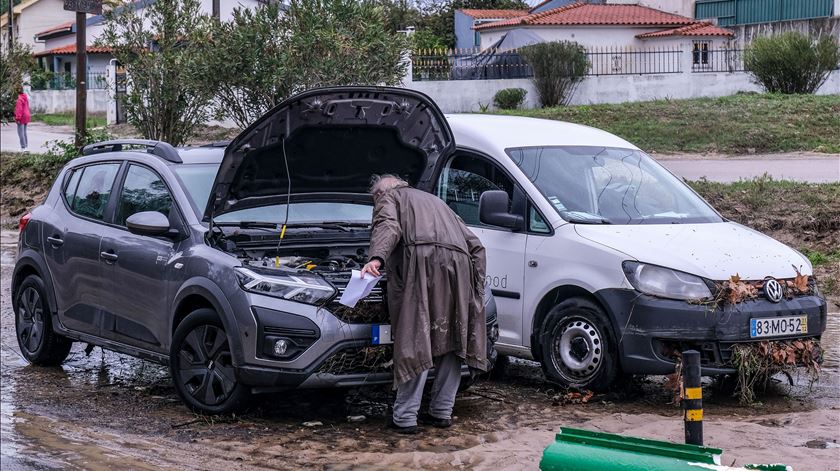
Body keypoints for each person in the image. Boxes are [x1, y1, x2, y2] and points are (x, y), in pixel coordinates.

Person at [361, 174, 488, 434]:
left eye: (375, 198)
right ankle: (441, 411)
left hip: (422, 267)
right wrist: (475, 286)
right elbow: (476, 246)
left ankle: (405, 417)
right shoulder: (437, 202)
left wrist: (376, 258)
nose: (376, 203)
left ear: (382, 191)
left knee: (416, 337)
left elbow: (389, 227)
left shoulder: (389, 196)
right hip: (458, 270)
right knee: (453, 337)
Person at [13, 86, 30, 152]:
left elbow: (19, 110)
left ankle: (23, 147)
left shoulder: (19, 99)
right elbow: (27, 106)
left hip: (22, 117)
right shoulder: (25, 97)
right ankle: (26, 147)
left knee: (20, 133)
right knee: (24, 132)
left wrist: (17, 118)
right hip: (27, 115)